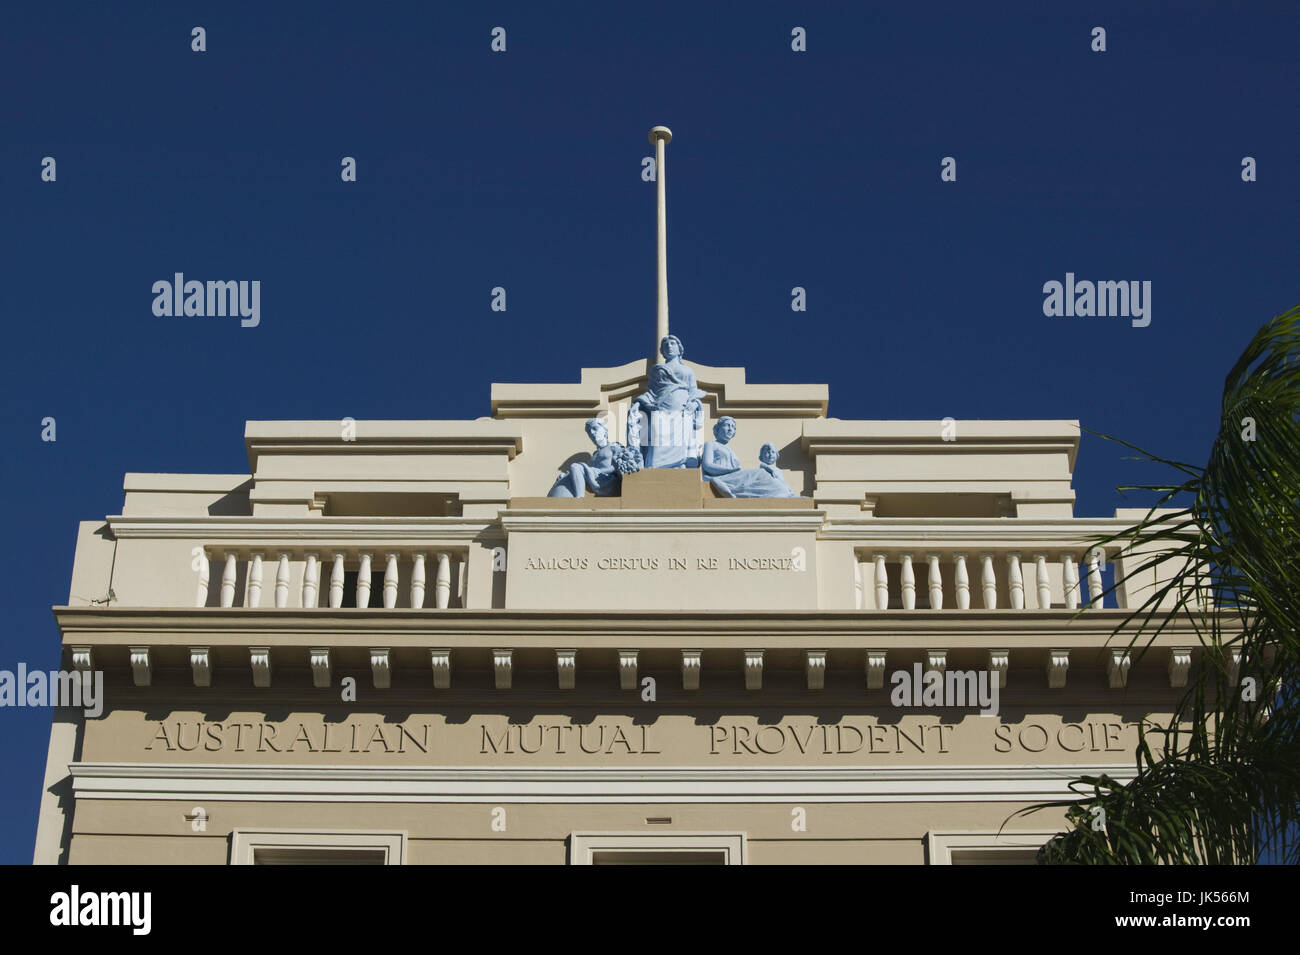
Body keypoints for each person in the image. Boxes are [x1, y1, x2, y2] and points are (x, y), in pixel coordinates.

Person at [627, 335, 706, 460]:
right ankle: (656, 463)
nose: (669, 346)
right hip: (661, 406)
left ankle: (680, 463)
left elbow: (694, 392)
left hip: (681, 406)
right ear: (662, 352)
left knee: (680, 437)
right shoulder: (657, 370)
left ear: (679, 349)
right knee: (658, 435)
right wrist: (638, 402)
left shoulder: (687, 370)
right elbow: (651, 392)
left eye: (672, 343)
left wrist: (694, 404)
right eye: (666, 345)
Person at [701, 418, 797, 498]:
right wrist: (730, 470)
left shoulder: (731, 451)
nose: (730, 429)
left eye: (733, 427)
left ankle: (784, 493)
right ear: (717, 429)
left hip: (734, 476)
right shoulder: (711, 444)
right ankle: (781, 493)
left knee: (762, 475)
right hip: (723, 477)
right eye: (727, 425)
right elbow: (707, 466)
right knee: (760, 473)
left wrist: (734, 470)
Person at [547, 418, 621, 498]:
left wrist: (599, 470)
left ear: (605, 431)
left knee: (575, 466)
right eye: (589, 432)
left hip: (607, 480)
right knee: (568, 473)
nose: (592, 433)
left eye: (595, 428)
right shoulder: (595, 455)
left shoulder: (614, 447)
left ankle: (580, 498)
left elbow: (618, 467)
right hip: (594, 478)